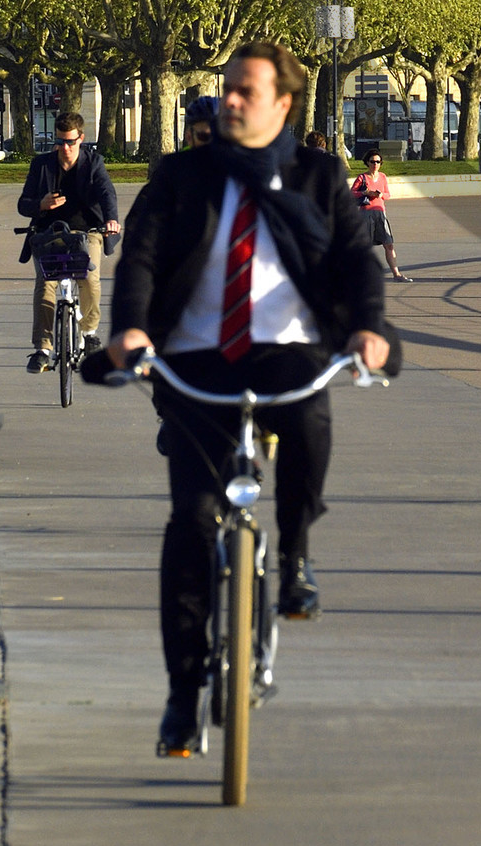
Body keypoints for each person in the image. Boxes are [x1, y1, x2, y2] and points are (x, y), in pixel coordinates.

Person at [107, 39, 393, 759]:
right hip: (199, 353)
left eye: (247, 91)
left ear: (284, 104)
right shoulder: (183, 174)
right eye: (227, 88)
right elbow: (140, 252)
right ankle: (182, 691)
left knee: (308, 419)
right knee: (190, 523)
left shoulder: (319, 174)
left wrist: (366, 328)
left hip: (286, 345)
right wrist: (132, 329)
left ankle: (294, 557)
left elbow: (355, 256)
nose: (231, 100)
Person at [17, 112, 121, 372]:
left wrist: (111, 220)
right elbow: (23, 204)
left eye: (71, 142)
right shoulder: (41, 165)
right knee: (45, 284)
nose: (65, 148)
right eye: (60, 142)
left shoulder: (94, 163)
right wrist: (40, 205)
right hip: (49, 235)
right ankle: (42, 348)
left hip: (88, 233)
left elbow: (107, 193)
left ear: (81, 139)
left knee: (89, 277)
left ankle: (89, 332)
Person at [351, 147, 410, 281]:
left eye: (378, 162)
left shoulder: (383, 177)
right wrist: (365, 193)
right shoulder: (362, 177)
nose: (375, 164)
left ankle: (397, 274)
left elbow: (388, 195)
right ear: (367, 162)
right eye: (372, 162)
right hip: (366, 214)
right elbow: (351, 193)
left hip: (380, 213)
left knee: (388, 244)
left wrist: (381, 195)